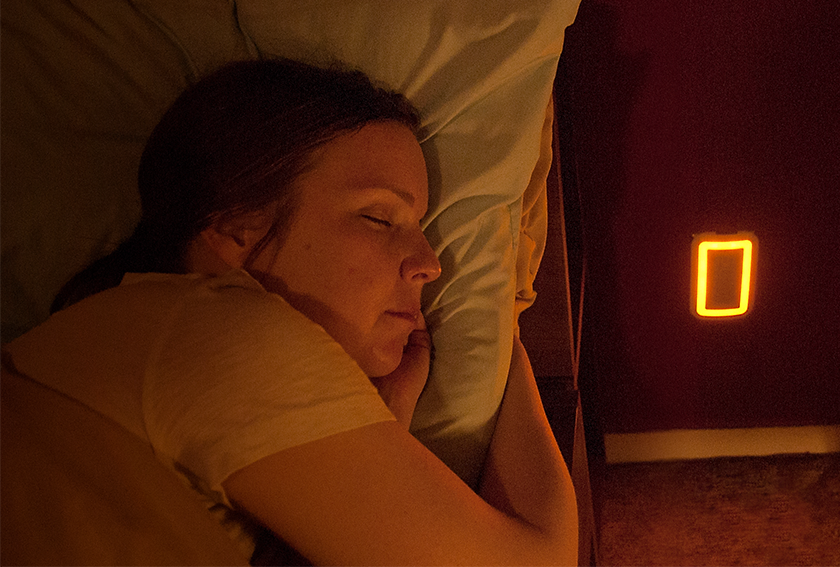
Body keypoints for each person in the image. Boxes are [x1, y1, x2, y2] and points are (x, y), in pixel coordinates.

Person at [3, 58, 577, 567]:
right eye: (379, 219)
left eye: (422, 229)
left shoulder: (131, 334)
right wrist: (505, 320)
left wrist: (387, 423)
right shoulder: (217, 334)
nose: (430, 264)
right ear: (235, 228)